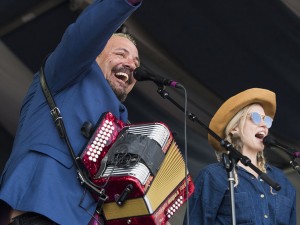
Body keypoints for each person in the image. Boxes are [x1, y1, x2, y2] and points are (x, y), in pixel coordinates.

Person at [0, 0, 142, 224]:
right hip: (41, 208)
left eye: (136, 62)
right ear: (94, 54)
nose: (131, 65)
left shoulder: (126, 125)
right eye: (121, 54)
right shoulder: (66, 74)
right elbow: (88, 33)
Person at [184, 88, 296, 225]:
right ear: (234, 128)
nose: (263, 125)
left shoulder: (281, 180)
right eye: (255, 117)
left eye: (266, 120)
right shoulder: (214, 176)